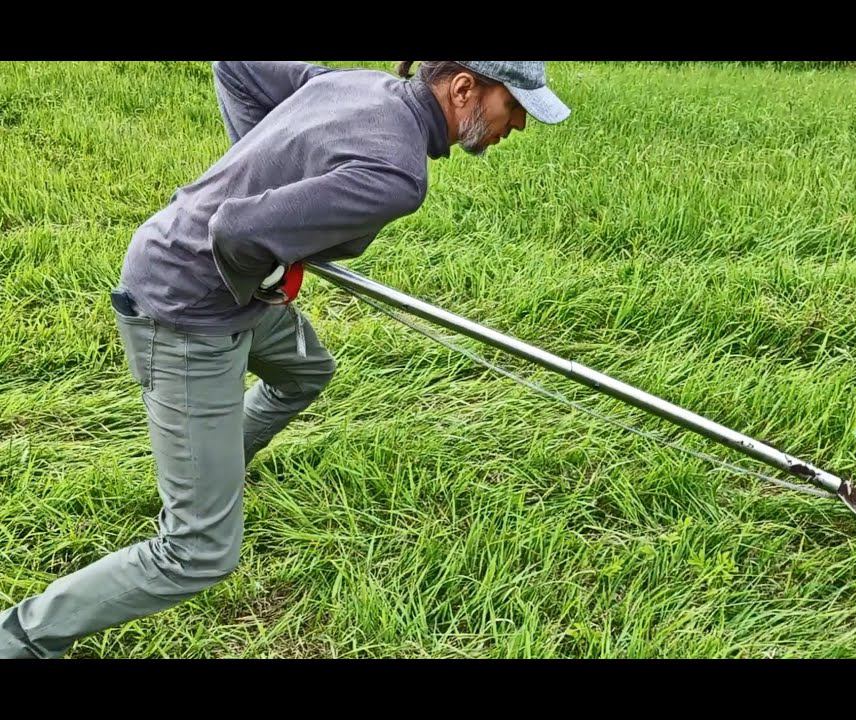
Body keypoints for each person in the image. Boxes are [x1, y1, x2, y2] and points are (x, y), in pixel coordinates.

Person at [0, 60, 571, 659]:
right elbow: (237, 230)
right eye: (515, 106)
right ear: (464, 88)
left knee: (305, 372)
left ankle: (215, 472)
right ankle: (20, 638)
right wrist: (264, 263)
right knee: (197, 554)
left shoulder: (358, 83)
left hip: (213, 286)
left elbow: (237, 66)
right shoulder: (398, 173)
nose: (518, 124)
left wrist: (267, 184)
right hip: (188, 312)